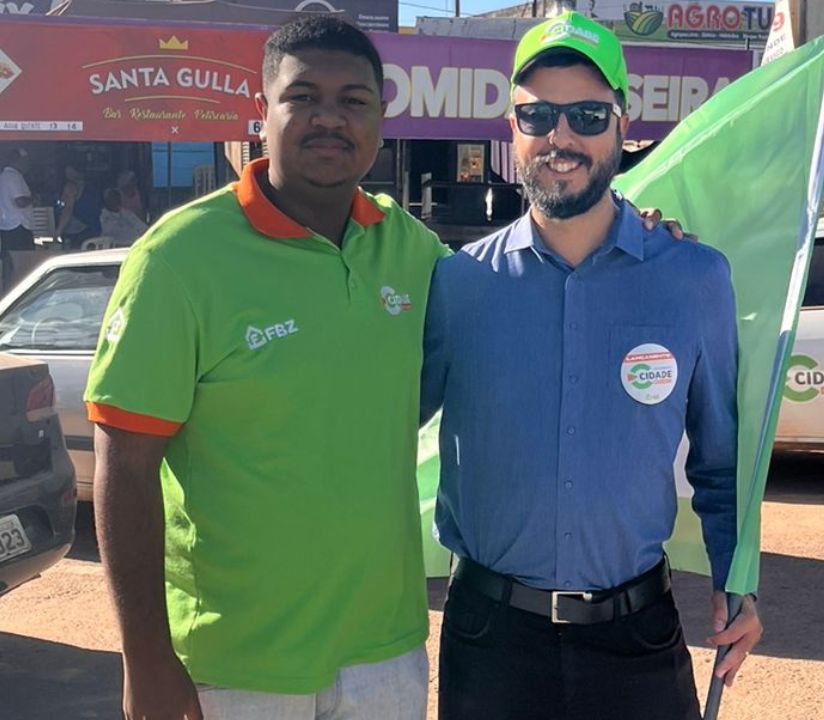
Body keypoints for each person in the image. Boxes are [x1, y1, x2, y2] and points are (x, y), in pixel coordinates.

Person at [84, 17, 445, 720]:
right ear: (262, 114)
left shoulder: (412, 251)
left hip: (386, 657)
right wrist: (146, 660)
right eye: (303, 96)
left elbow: (527, 290)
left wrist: (636, 224)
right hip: (233, 667)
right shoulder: (178, 261)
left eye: (353, 101)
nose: (329, 118)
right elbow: (123, 470)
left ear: (380, 118)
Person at [420, 12, 763, 720]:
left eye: (586, 114)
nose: (561, 137)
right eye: (538, 114)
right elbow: (376, 428)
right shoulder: (455, 286)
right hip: (492, 643)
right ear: (509, 127)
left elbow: (721, 458)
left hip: (636, 641)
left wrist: (739, 576)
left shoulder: (694, 278)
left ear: (623, 125)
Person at [0, 147, 35, 290]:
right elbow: (20, 201)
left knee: (10, 263)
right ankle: (19, 290)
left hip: (8, 225)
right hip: (18, 226)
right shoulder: (13, 177)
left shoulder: (3, 176)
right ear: (18, 161)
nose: (27, 165)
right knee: (21, 263)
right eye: (26, 161)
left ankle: (10, 290)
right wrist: (34, 199)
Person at [56, 161, 102, 249]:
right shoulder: (91, 187)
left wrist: (58, 231)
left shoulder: (71, 187)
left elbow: (68, 210)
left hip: (77, 233)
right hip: (95, 230)